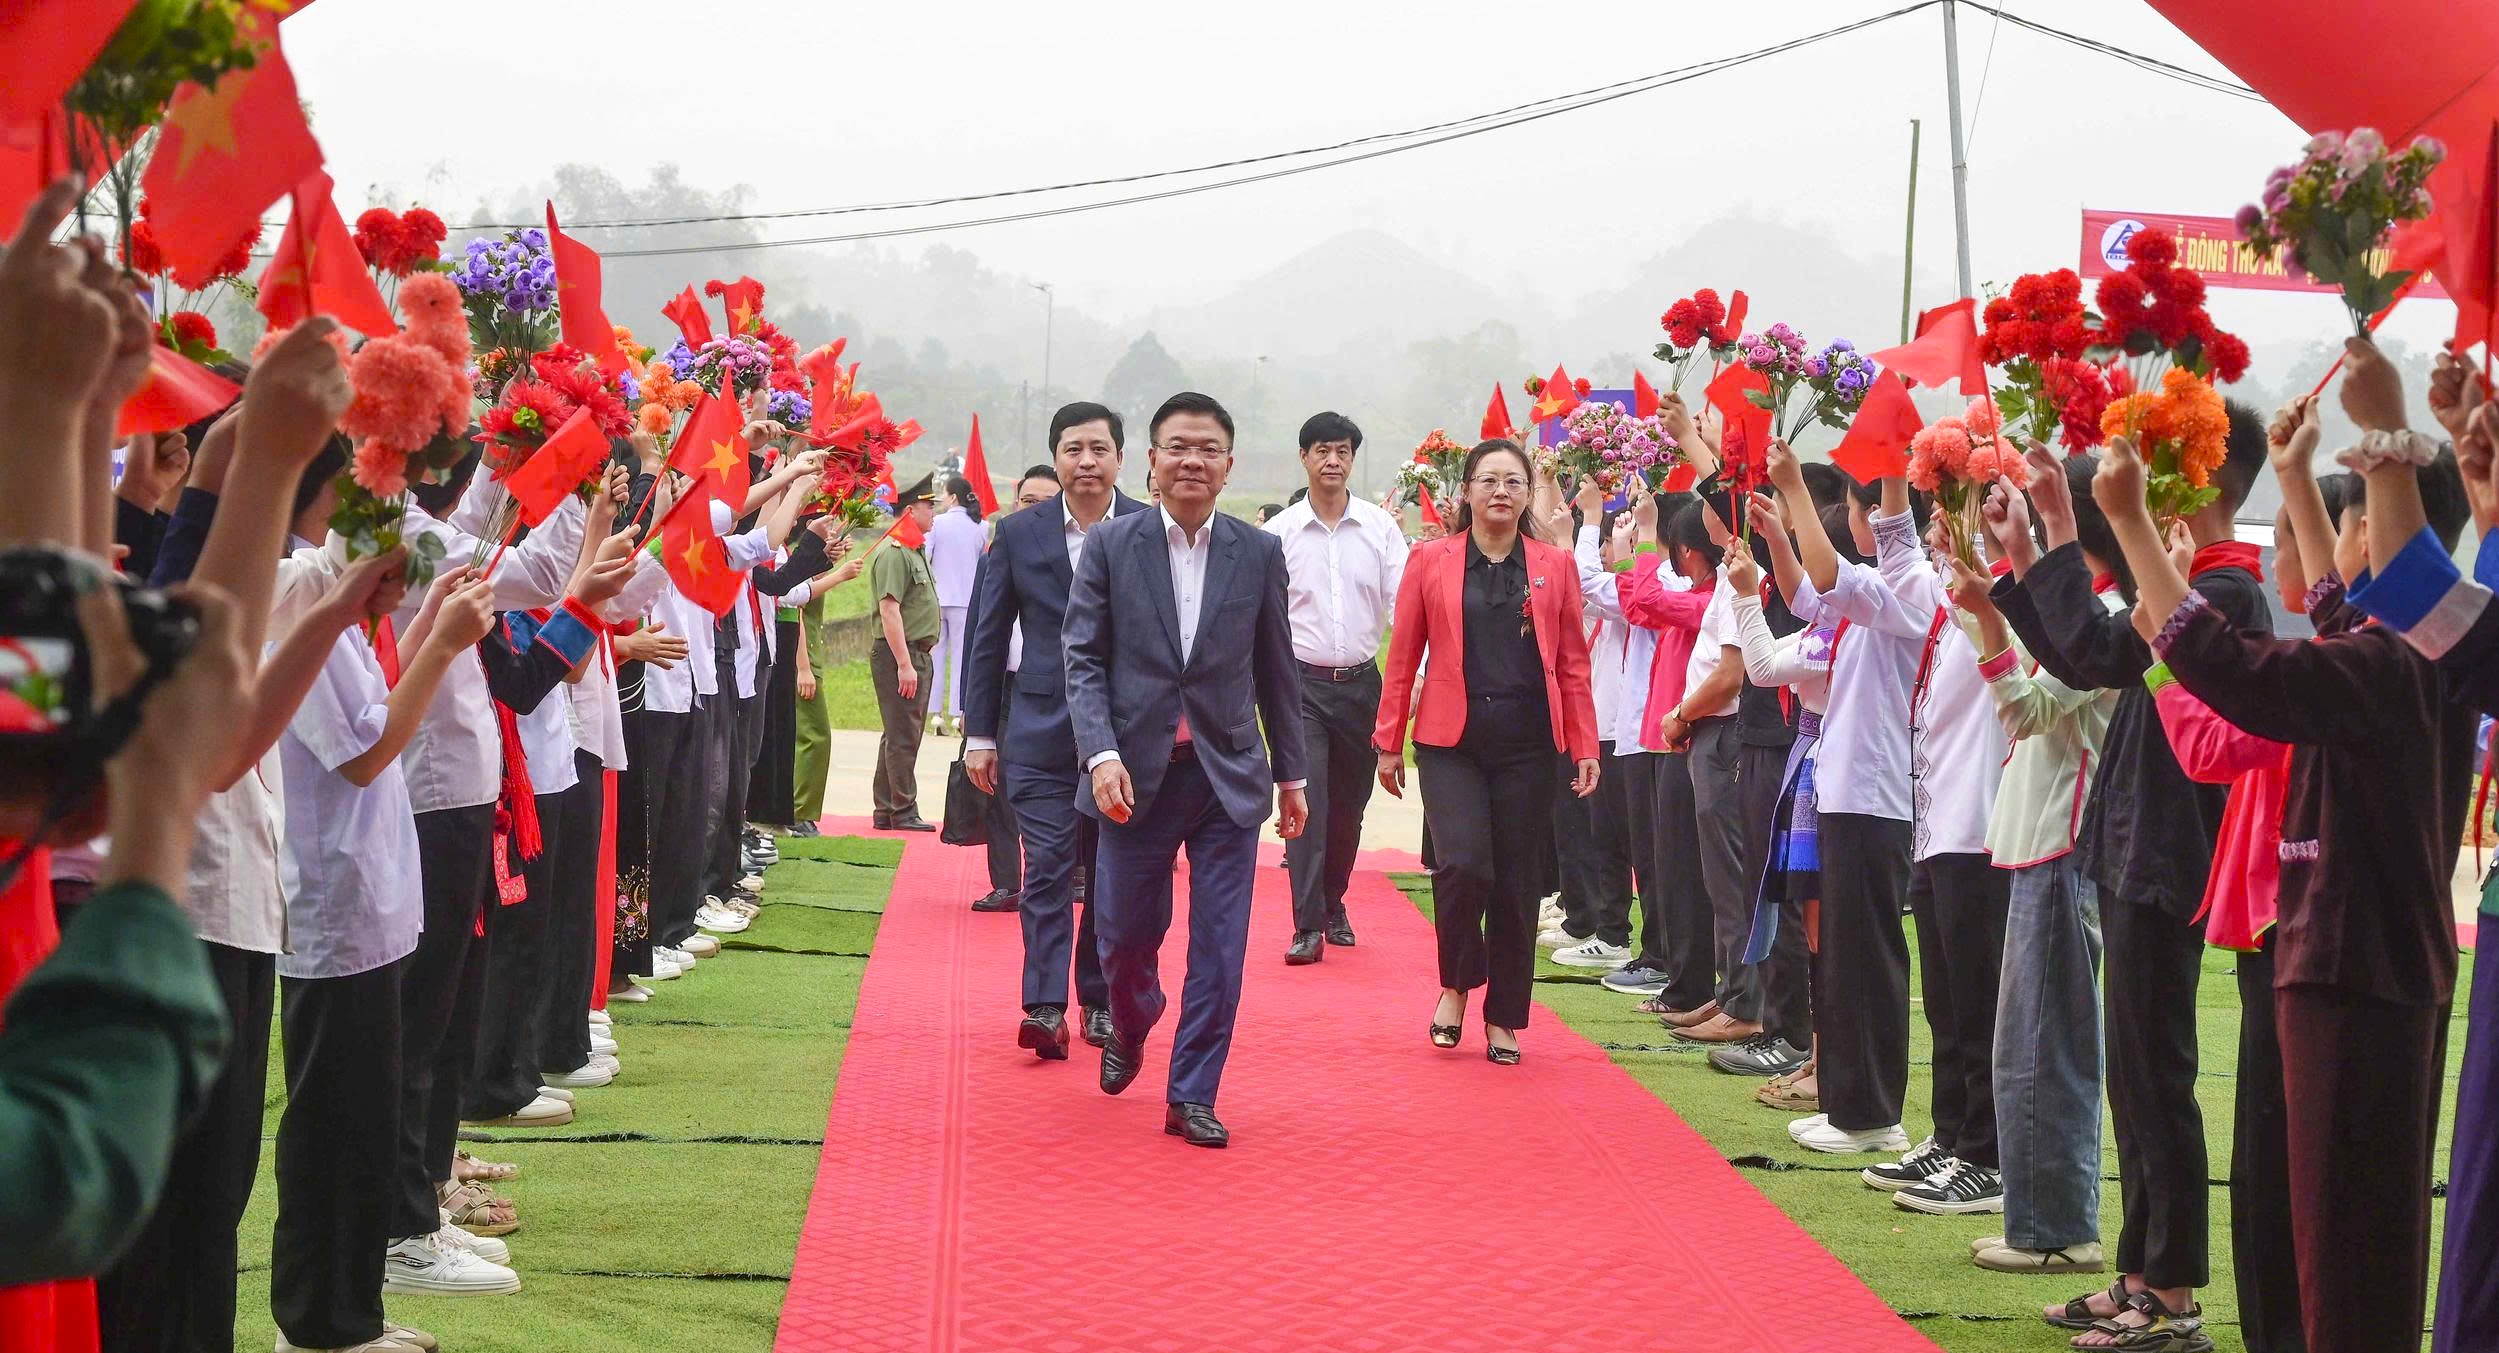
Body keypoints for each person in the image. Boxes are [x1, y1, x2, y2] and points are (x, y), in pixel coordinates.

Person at [1990, 405, 2273, 1346]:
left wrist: (2053, 534)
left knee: (2158, 1077)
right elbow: (2091, 657)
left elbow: (2108, 653)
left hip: (2167, 851)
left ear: (2197, 480)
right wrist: (2030, 550)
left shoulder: (2224, 591)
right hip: (2133, 843)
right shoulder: (2195, 578)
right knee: (2137, 1079)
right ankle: (2141, 1272)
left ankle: (2175, 1298)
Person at [1062, 391, 1308, 1148]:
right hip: (1131, 777)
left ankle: (1192, 1093)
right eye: (1178, 447)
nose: (1192, 460)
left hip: (1224, 777)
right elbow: (1081, 658)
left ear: (1229, 464)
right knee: (1122, 938)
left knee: (1221, 948)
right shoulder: (1112, 545)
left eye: (1208, 449)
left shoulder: (1257, 552)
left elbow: (1277, 669)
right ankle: (1132, 1019)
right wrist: (1100, 752)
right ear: (1152, 460)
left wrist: (1292, 776)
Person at [1374, 439, 1598, 1063]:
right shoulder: (1430, 559)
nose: (1501, 491)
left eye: (1513, 481)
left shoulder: (1554, 564)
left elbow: (1573, 663)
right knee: (1464, 865)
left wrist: (1583, 742)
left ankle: (1504, 1015)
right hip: (1451, 742)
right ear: (1467, 490)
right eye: (1489, 480)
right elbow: (1403, 655)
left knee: (1518, 882)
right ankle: (1455, 984)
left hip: (1529, 744)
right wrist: (1388, 740)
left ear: (1528, 495)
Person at [1957, 457, 2123, 1270]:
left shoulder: (2106, 615)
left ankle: (2057, 1231)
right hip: (2040, 838)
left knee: (2044, 1044)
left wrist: (1988, 619)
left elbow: (2024, 708)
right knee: (2027, 1042)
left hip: (2063, 839)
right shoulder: (2079, 609)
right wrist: (1989, 603)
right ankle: (2043, 1223)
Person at [963, 410, 1149, 1055]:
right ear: (1056, 458)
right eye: (1074, 449)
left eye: (1100, 448)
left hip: (1124, 735)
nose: (1087, 461)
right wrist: (980, 734)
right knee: (1045, 866)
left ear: (1121, 459)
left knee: (1106, 874)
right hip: (1039, 730)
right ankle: (1044, 1007)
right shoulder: (1018, 533)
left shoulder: (1148, 529)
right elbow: (987, 637)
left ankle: (1098, 1001)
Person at [1761, 449, 1922, 1157]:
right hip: (1849, 790)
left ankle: (1871, 1113)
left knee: (1866, 957)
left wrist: (1794, 487)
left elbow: (1827, 577)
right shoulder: (1874, 594)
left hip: (1877, 795)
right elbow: (1807, 595)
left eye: (1856, 509)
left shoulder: (1907, 585)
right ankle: (1850, 1104)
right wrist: (1777, 530)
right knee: (1847, 957)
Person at [1265, 411, 1406, 965]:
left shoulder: (1379, 528)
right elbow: (1262, 616)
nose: (1332, 461)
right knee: (1307, 802)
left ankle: (1332, 901)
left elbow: (1404, 608)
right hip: (1299, 687)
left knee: (1349, 808)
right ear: (1304, 457)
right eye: (1322, 450)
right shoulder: (1278, 534)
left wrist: (1414, 677)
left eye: (1342, 451)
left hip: (1361, 686)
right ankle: (1306, 924)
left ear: (1352, 458)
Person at [961, 466, 1063, 913]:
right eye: (1028, 502)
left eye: (1047, 503)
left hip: (1060, 691)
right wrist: (970, 706)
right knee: (998, 788)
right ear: (1014, 504)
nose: (1035, 511)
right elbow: (978, 635)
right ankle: (1006, 882)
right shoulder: (996, 556)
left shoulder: (1084, 554)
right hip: (1006, 689)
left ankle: (1071, 875)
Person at [869, 475, 942, 831]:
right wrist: (903, 663)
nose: (934, 513)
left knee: (898, 731)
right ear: (911, 511)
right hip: (901, 653)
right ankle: (903, 809)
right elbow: (889, 609)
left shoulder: (913, 549)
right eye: (929, 506)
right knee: (903, 734)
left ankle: (887, 808)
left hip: (914, 653)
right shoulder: (895, 552)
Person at [924, 474, 988, 737]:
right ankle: (958, 712)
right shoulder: (981, 526)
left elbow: (926, 556)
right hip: (967, 600)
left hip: (938, 598)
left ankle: (935, 713)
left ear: (952, 497)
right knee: (963, 659)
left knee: (935, 656)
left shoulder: (937, 523)